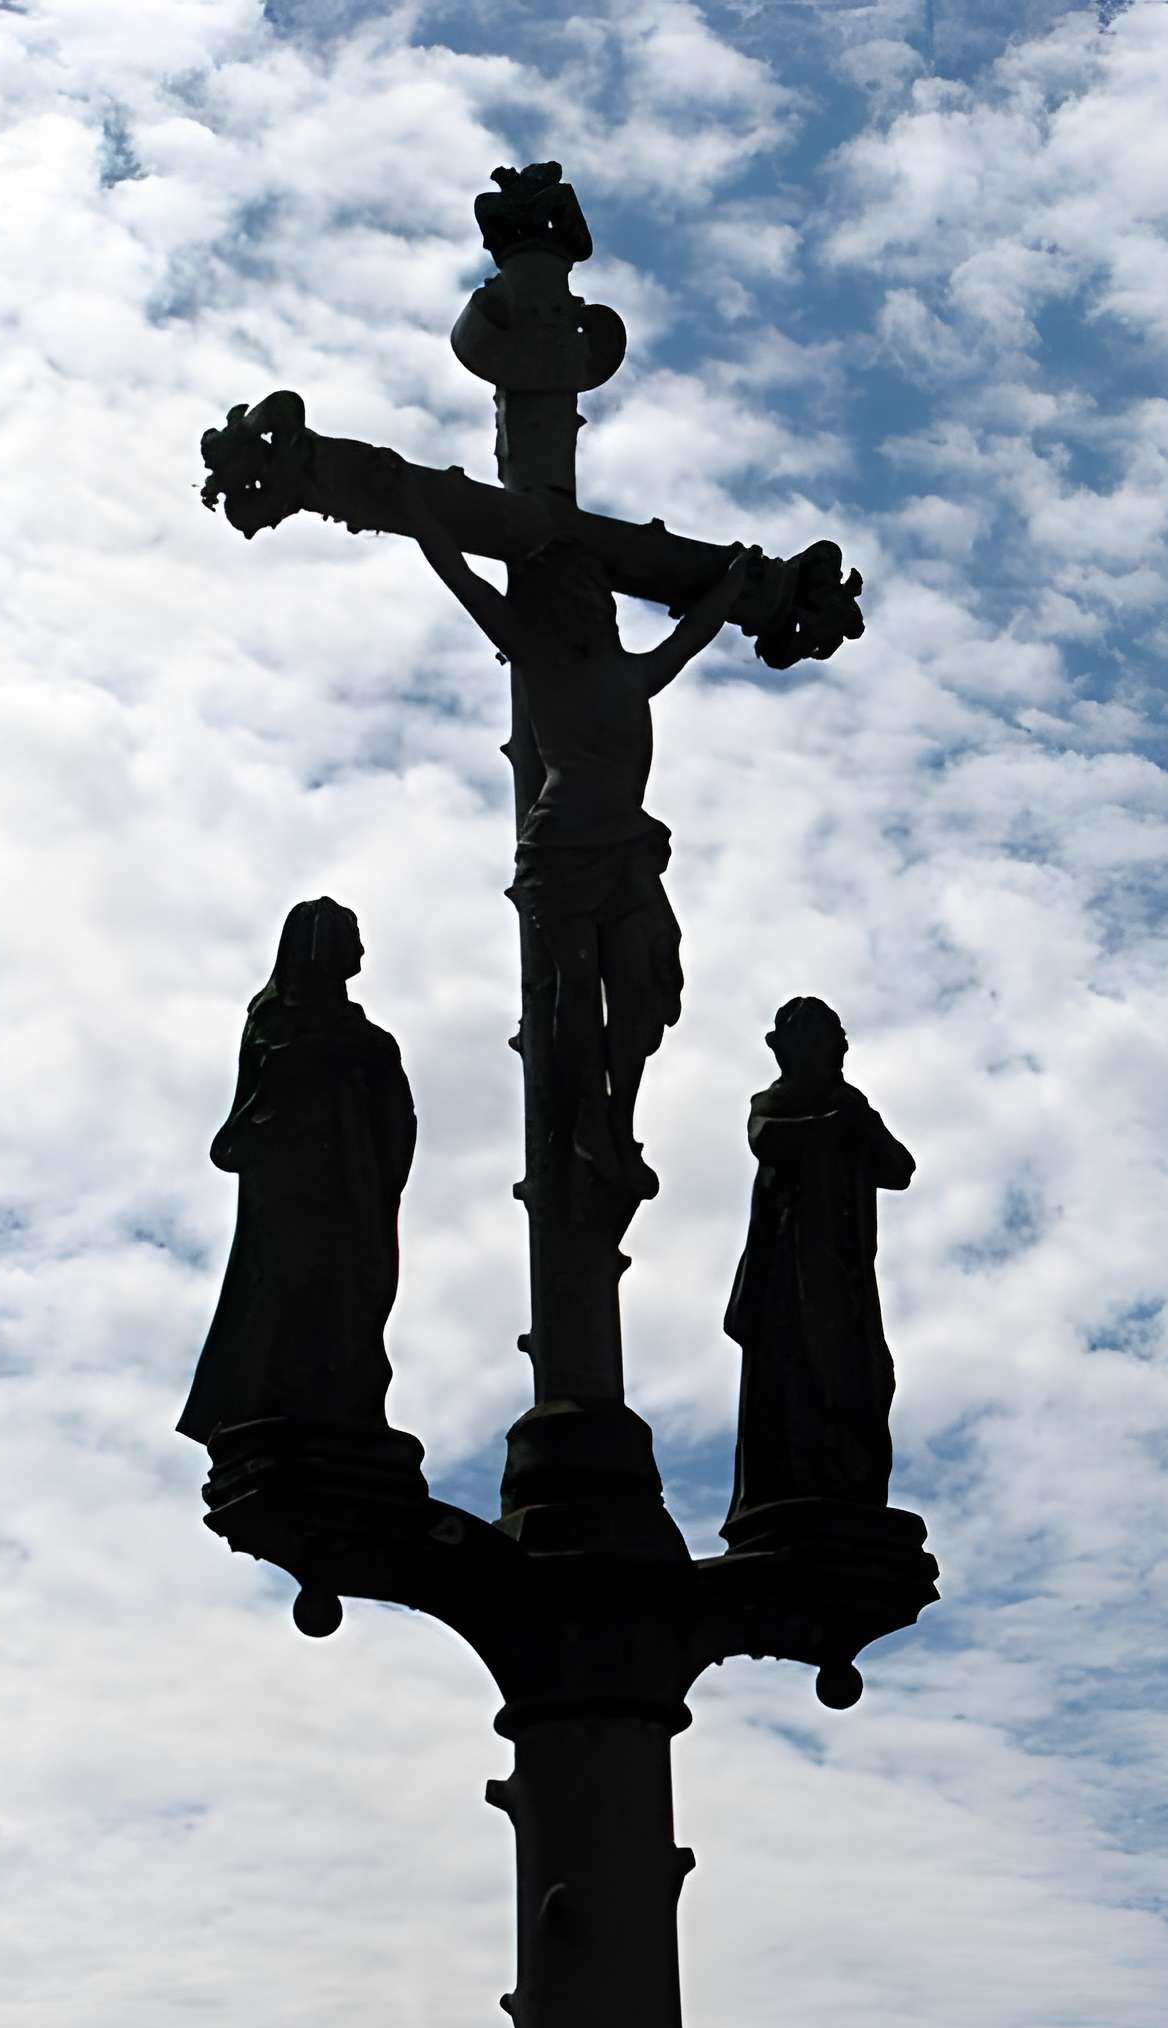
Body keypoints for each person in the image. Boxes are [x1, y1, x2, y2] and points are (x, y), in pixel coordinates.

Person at [405, 478, 757, 1202]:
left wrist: (735, 586)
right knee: (573, 990)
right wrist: (415, 513)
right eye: (581, 597)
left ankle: (614, 1123)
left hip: (625, 849)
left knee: (640, 989)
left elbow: (692, 636)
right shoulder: (545, 662)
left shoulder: (629, 674)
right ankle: (588, 1123)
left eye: (600, 598)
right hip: (563, 847)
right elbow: (469, 586)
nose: (597, 608)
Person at [178, 899, 416, 1448]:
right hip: (295, 1185)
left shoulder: (366, 1037)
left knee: (356, 1288)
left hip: (355, 1186)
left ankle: (344, 1401)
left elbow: (395, 1120)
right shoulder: (277, 1019)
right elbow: (269, 1092)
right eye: (350, 936)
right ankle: (273, 1398)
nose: (359, 950)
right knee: (290, 1285)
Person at [725, 997, 915, 1522]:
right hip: (786, 1267)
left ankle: (847, 1480)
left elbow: (899, 1167)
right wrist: (838, 1125)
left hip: (843, 1273)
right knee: (790, 1374)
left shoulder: (852, 1105)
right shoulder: (774, 1101)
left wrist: (857, 1122)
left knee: (856, 1375)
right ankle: (790, 1484)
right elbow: (767, 1139)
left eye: (825, 1037)